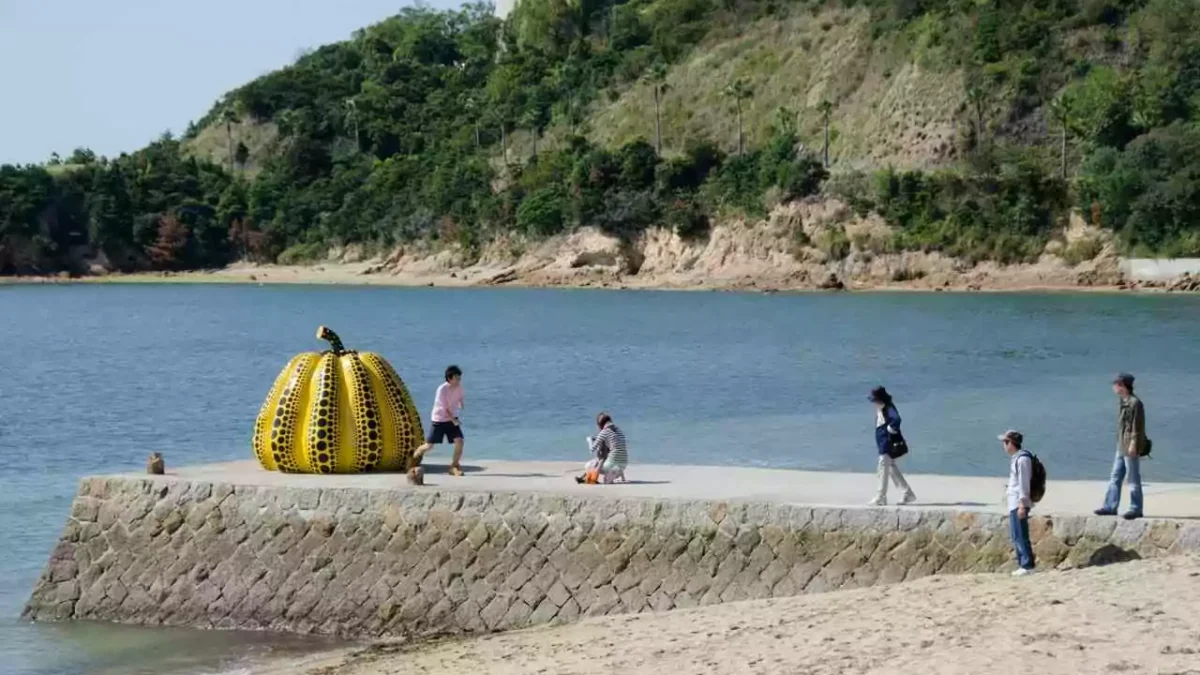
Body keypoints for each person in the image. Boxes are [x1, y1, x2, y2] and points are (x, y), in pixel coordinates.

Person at [1095, 372, 1147, 520]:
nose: (1114, 387)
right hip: (1121, 446)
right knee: (1115, 477)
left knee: (1132, 478)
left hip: (1130, 446)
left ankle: (1136, 508)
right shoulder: (1123, 402)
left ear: (1123, 386)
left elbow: (1138, 426)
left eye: (1116, 384)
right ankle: (1110, 506)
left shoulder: (1135, 403)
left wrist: (1133, 445)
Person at [411, 365, 466, 476]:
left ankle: (454, 466)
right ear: (450, 379)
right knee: (429, 446)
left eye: (460, 378)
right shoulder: (442, 389)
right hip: (439, 420)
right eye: (457, 378)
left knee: (459, 441)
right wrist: (454, 420)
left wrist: (461, 404)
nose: (459, 380)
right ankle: (413, 458)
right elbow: (445, 409)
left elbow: (460, 398)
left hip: (452, 419)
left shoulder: (459, 388)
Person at [868, 386, 916, 506]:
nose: (873, 403)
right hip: (882, 443)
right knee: (890, 468)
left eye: (875, 400)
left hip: (887, 444)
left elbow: (897, 419)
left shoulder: (888, 408)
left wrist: (890, 428)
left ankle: (881, 496)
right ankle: (907, 493)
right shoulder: (881, 408)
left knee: (883, 467)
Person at [1000, 430, 1036, 576]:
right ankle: (1023, 564)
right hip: (1013, 502)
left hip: (1018, 503)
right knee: (1016, 535)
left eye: (1005, 442)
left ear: (1011, 443)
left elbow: (1024, 484)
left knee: (1021, 535)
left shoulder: (1022, 460)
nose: (1003, 445)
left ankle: (1027, 565)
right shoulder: (1016, 458)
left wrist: (1022, 504)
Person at [575, 412, 628, 484]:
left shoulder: (604, 432)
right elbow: (617, 449)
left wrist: (589, 440)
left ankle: (591, 478)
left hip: (610, 465)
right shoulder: (618, 430)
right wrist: (623, 478)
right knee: (614, 455)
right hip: (623, 465)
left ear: (600, 424)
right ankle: (611, 476)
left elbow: (592, 449)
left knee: (590, 465)